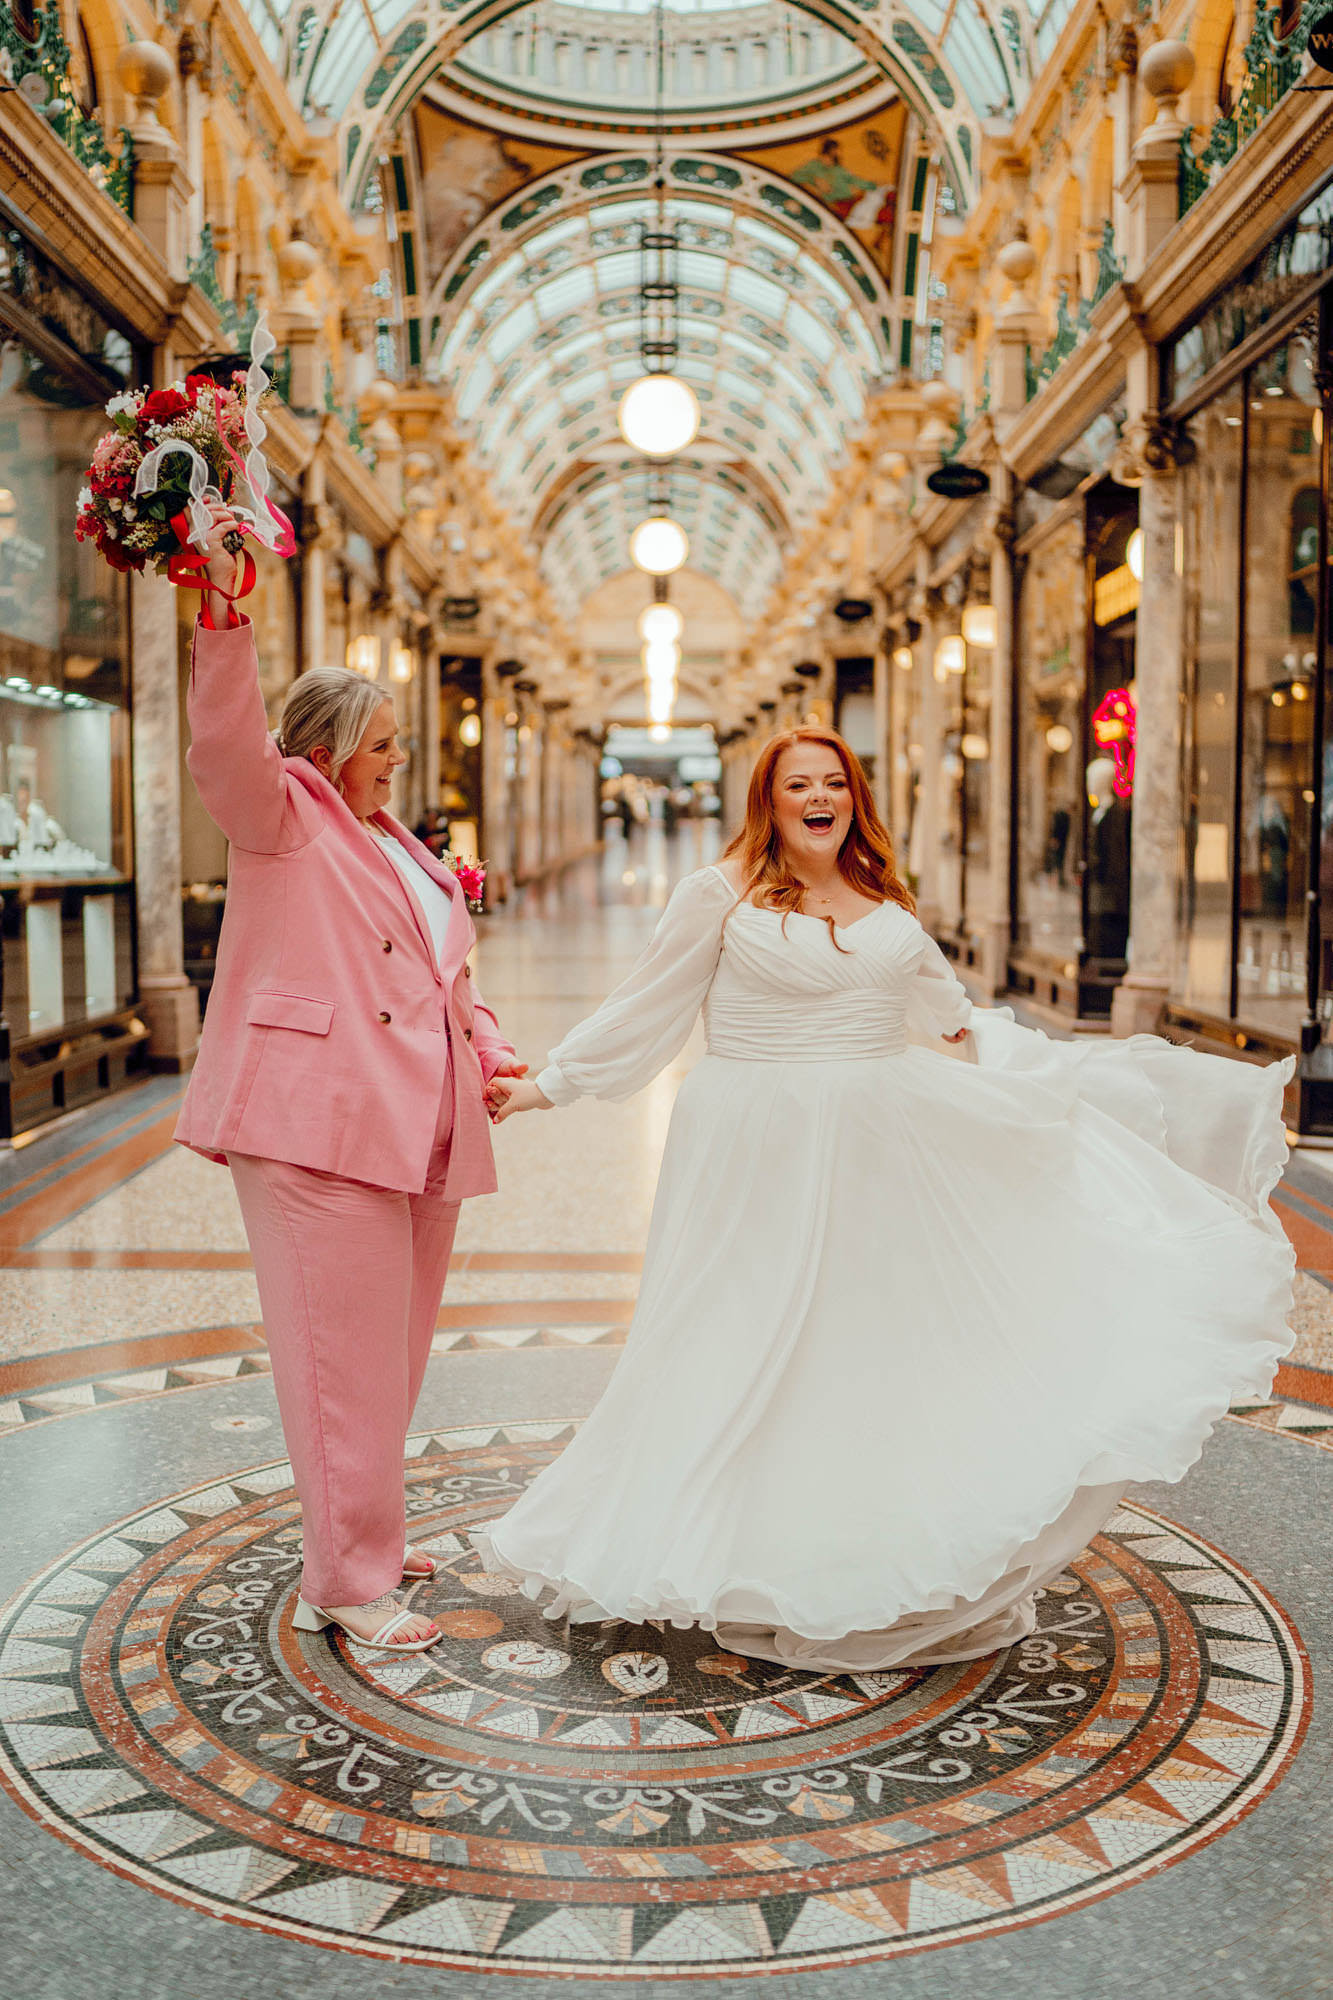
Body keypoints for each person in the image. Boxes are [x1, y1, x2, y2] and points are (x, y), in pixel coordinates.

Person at [484, 725, 1294, 1672]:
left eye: (833, 781)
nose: (817, 797)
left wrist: (1011, 1089)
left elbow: (944, 1014)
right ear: (769, 800)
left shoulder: (882, 895)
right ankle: (718, 1536)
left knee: (860, 1341)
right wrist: (547, 1085)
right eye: (799, 784)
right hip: (756, 1144)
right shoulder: (720, 894)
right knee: (738, 1331)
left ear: (853, 796)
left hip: (879, 1144)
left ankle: (852, 1537)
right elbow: (644, 1010)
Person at [175, 503, 525, 1653]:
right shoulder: (281, 816)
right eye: (380, 744)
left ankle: (367, 1530)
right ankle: (345, 1577)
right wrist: (224, 605)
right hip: (314, 1123)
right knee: (337, 1356)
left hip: (414, 1123)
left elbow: (440, 973)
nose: (395, 762)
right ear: (322, 747)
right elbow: (224, 737)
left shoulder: (399, 842)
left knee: (391, 1348)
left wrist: (488, 1053)